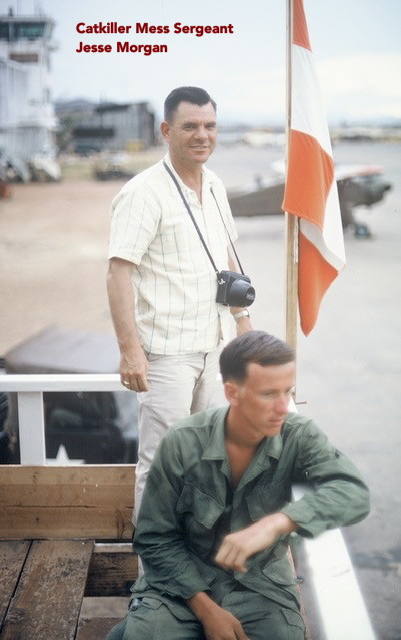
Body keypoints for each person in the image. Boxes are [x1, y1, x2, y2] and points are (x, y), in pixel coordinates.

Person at [106, 330, 370, 640]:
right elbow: (154, 538)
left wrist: (277, 523)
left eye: (288, 391)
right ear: (233, 393)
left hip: (260, 586)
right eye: (269, 394)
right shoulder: (182, 442)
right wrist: (206, 610)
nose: (284, 407)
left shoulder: (298, 435)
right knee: (143, 636)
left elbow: (352, 492)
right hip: (179, 587)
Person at [107, 86, 252, 521]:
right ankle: (154, 576)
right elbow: (118, 273)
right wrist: (130, 350)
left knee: (211, 460)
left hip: (217, 346)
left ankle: (199, 558)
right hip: (168, 353)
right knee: (161, 465)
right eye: (190, 126)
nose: (201, 135)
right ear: (166, 131)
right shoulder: (143, 192)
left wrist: (244, 325)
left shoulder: (217, 186)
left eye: (209, 126)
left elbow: (226, 258)